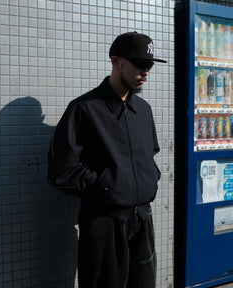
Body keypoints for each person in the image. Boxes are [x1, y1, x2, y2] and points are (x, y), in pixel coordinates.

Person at [47, 31, 167, 288]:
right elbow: (62, 170)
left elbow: (150, 156)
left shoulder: (143, 110)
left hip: (142, 219)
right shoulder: (84, 109)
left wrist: (149, 180)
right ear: (116, 61)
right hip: (105, 223)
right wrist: (106, 185)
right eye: (139, 63)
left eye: (150, 65)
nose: (146, 71)